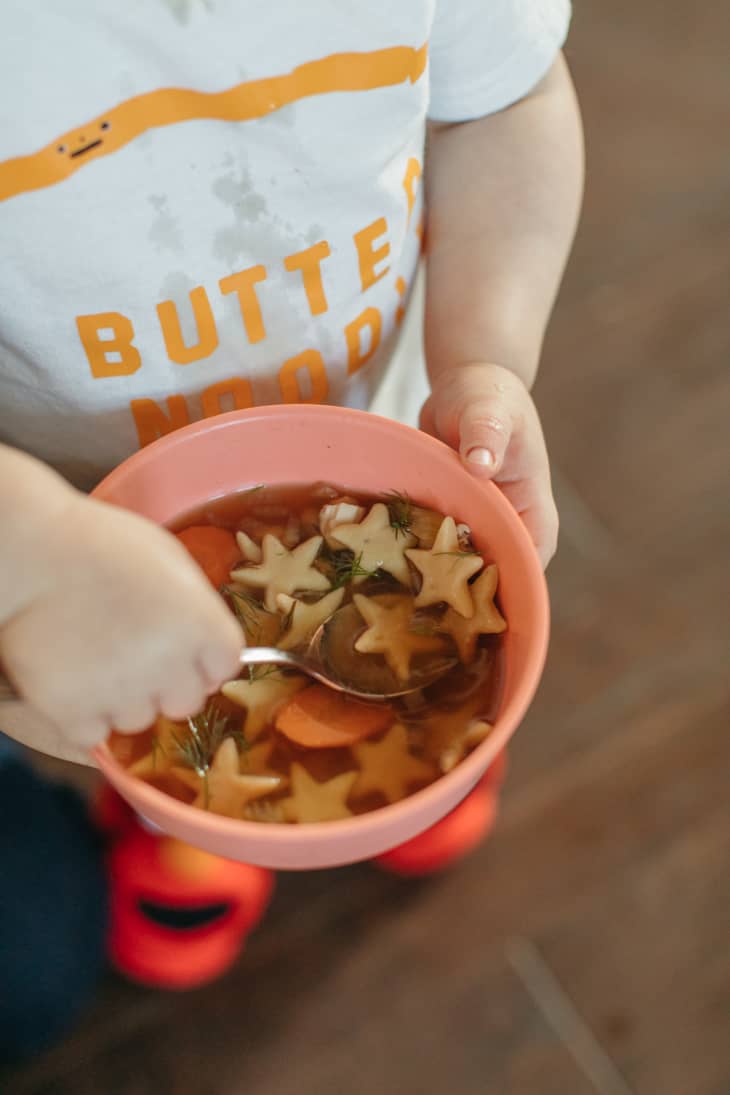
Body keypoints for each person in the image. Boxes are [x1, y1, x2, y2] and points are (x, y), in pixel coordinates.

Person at [0, 0, 583, 1060]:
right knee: (173, 729)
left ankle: (435, 751)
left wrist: (485, 354)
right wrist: (26, 552)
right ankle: (188, 822)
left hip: (408, 462)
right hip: (71, 555)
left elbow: (501, 104)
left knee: (451, 649)